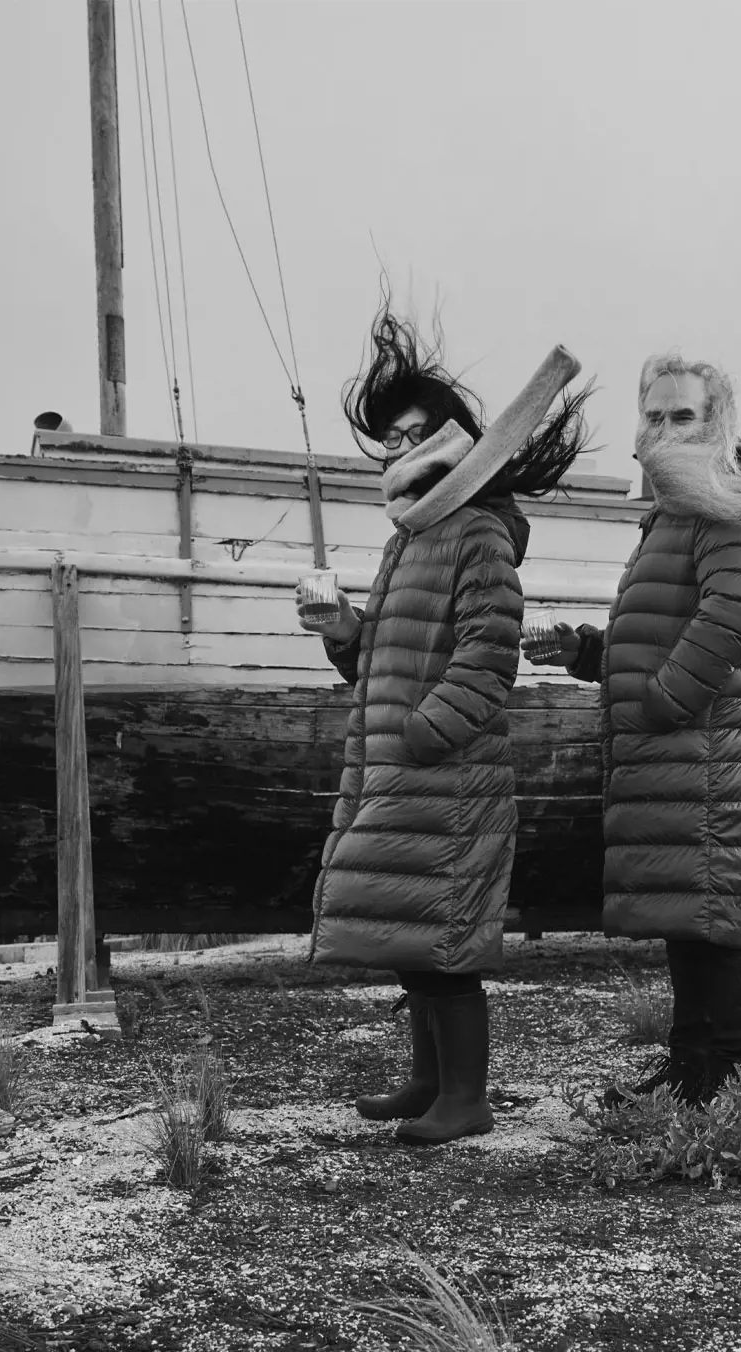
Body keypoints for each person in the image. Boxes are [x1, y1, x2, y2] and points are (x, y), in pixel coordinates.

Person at [298, 306, 589, 1145]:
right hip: (397, 769)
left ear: (458, 436)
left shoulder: (479, 535)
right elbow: (377, 665)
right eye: (389, 440)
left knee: (447, 944)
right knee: (409, 934)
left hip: (446, 775)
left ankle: (466, 1098)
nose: (399, 450)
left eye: (414, 433)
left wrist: (421, 735)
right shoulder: (406, 541)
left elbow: (487, 662)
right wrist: (345, 633)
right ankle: (428, 1081)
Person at [525, 353, 741, 1105]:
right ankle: (691, 1069)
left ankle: (728, 1074)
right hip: (677, 748)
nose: (667, 428)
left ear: (717, 424)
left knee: (721, 912)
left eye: (685, 415)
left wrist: (662, 703)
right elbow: (663, 632)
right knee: (693, 913)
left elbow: (735, 613)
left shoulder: (730, 503)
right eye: (655, 415)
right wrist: (587, 651)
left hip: (704, 747)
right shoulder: (674, 513)